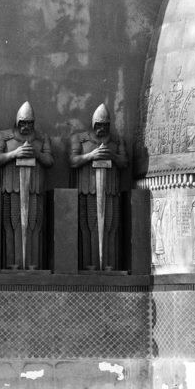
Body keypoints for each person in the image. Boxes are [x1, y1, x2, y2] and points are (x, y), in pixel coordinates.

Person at [0, 102, 53, 270]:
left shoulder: (42, 138)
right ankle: (12, 263)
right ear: (17, 122)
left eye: (29, 123)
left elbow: (49, 161)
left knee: (34, 223)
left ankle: (33, 263)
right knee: (11, 224)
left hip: (35, 188)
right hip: (11, 188)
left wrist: (36, 153)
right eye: (23, 123)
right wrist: (15, 153)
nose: (26, 127)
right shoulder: (3, 136)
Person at [70, 103, 129, 271]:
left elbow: (124, 162)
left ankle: (109, 264)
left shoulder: (117, 141)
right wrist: (91, 155)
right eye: (99, 125)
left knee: (110, 225)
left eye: (105, 125)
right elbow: (73, 161)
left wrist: (112, 155)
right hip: (87, 190)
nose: (101, 129)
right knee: (87, 226)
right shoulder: (80, 139)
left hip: (110, 191)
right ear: (93, 124)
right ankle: (88, 263)